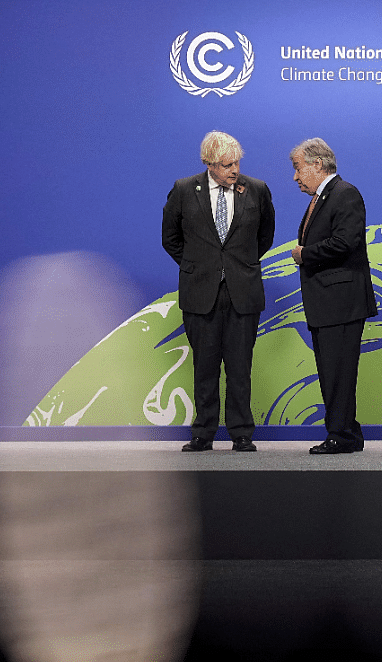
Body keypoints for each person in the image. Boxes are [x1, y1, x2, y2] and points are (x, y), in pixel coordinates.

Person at [162, 131, 275, 451]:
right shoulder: (184, 190)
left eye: (237, 162)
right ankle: (203, 432)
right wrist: (199, 266)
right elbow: (170, 237)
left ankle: (241, 432)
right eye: (227, 164)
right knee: (205, 366)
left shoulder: (256, 190)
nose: (234, 170)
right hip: (201, 292)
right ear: (209, 164)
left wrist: (239, 264)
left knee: (240, 367)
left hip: (243, 290)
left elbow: (264, 236)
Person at [289, 138, 377, 454]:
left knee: (337, 372)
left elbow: (345, 242)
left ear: (317, 164)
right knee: (332, 370)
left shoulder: (345, 194)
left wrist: (305, 254)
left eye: (298, 168)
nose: (296, 177)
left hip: (341, 302)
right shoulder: (324, 197)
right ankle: (347, 433)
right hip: (328, 303)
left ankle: (340, 435)